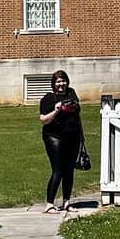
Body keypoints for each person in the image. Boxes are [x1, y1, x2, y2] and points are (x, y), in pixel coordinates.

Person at [39, 69, 81, 213]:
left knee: (69, 170)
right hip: (54, 137)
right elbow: (43, 120)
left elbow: (77, 112)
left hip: (72, 136)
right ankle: (49, 203)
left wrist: (81, 136)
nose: (61, 84)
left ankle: (66, 202)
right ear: (53, 84)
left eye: (63, 81)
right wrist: (57, 110)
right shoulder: (48, 99)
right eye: (58, 81)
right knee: (58, 170)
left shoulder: (71, 93)